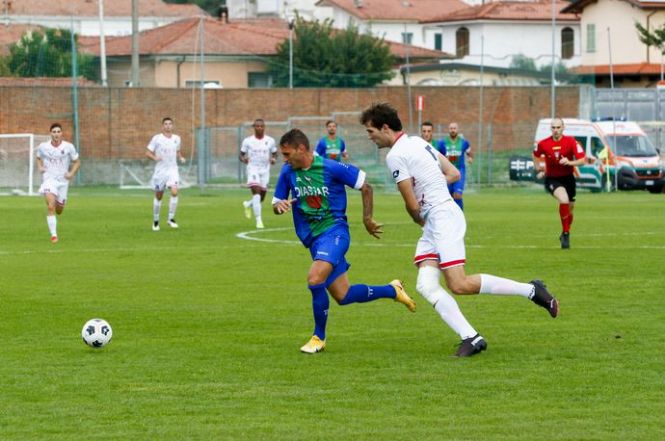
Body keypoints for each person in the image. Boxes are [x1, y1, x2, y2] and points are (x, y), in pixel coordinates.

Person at [360, 102, 559, 357]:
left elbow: (410, 203)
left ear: (385, 127)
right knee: (426, 285)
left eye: (370, 131)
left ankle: (532, 290)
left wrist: (420, 215)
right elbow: (453, 173)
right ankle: (472, 337)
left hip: (441, 218)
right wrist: (432, 191)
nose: (370, 137)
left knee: (459, 284)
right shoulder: (420, 143)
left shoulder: (395, 155)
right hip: (439, 216)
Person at [272, 128, 416, 354]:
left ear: (301, 149)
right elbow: (277, 202)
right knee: (344, 295)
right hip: (314, 240)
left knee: (314, 278)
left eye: (287, 154)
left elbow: (365, 185)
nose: (285, 159)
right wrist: (278, 206)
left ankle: (318, 337)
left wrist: (367, 219)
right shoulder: (287, 172)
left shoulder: (331, 167)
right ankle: (393, 290)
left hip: (336, 233)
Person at [533, 118, 586, 249]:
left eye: (558, 127)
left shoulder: (571, 141)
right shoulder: (543, 143)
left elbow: (582, 160)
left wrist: (570, 162)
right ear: (551, 129)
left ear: (563, 128)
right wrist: (539, 168)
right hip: (552, 179)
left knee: (570, 209)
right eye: (553, 128)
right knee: (564, 200)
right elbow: (535, 154)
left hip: (568, 179)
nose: (556, 130)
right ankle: (566, 235)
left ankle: (564, 231)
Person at [36, 123, 81, 243]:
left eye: (58, 131)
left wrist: (71, 174)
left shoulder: (69, 147)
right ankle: (54, 235)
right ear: (50, 133)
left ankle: (58, 200)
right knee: (50, 206)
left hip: (63, 181)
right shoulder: (43, 146)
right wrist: (40, 167)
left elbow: (77, 162)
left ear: (61, 133)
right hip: (49, 179)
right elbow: (38, 158)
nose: (56, 134)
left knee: (59, 210)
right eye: (54, 132)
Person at [146, 117, 186, 231]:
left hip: (173, 170)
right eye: (166, 124)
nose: (168, 126)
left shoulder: (177, 138)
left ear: (172, 126)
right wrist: (154, 157)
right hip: (160, 171)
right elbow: (147, 152)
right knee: (159, 196)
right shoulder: (157, 138)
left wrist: (181, 157)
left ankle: (171, 219)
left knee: (174, 191)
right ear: (162, 126)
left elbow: (178, 152)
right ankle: (155, 221)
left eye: (170, 124)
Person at [240, 119, 277, 229]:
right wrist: (244, 159)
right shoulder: (248, 141)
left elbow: (275, 153)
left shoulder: (270, 140)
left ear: (264, 127)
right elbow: (241, 155)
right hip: (253, 169)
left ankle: (248, 204)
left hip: (265, 170)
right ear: (254, 127)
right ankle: (259, 221)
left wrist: (274, 159)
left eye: (261, 126)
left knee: (261, 197)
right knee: (256, 192)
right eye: (257, 126)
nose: (259, 128)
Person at [436, 122, 473, 210]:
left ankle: (460, 217)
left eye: (454, 128)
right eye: (451, 128)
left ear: (457, 130)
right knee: (448, 197)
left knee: (457, 195)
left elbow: (469, 153)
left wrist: (470, 158)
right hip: (447, 172)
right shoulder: (442, 143)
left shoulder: (464, 142)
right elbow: (437, 156)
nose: (453, 130)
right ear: (448, 130)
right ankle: (450, 217)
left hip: (460, 171)